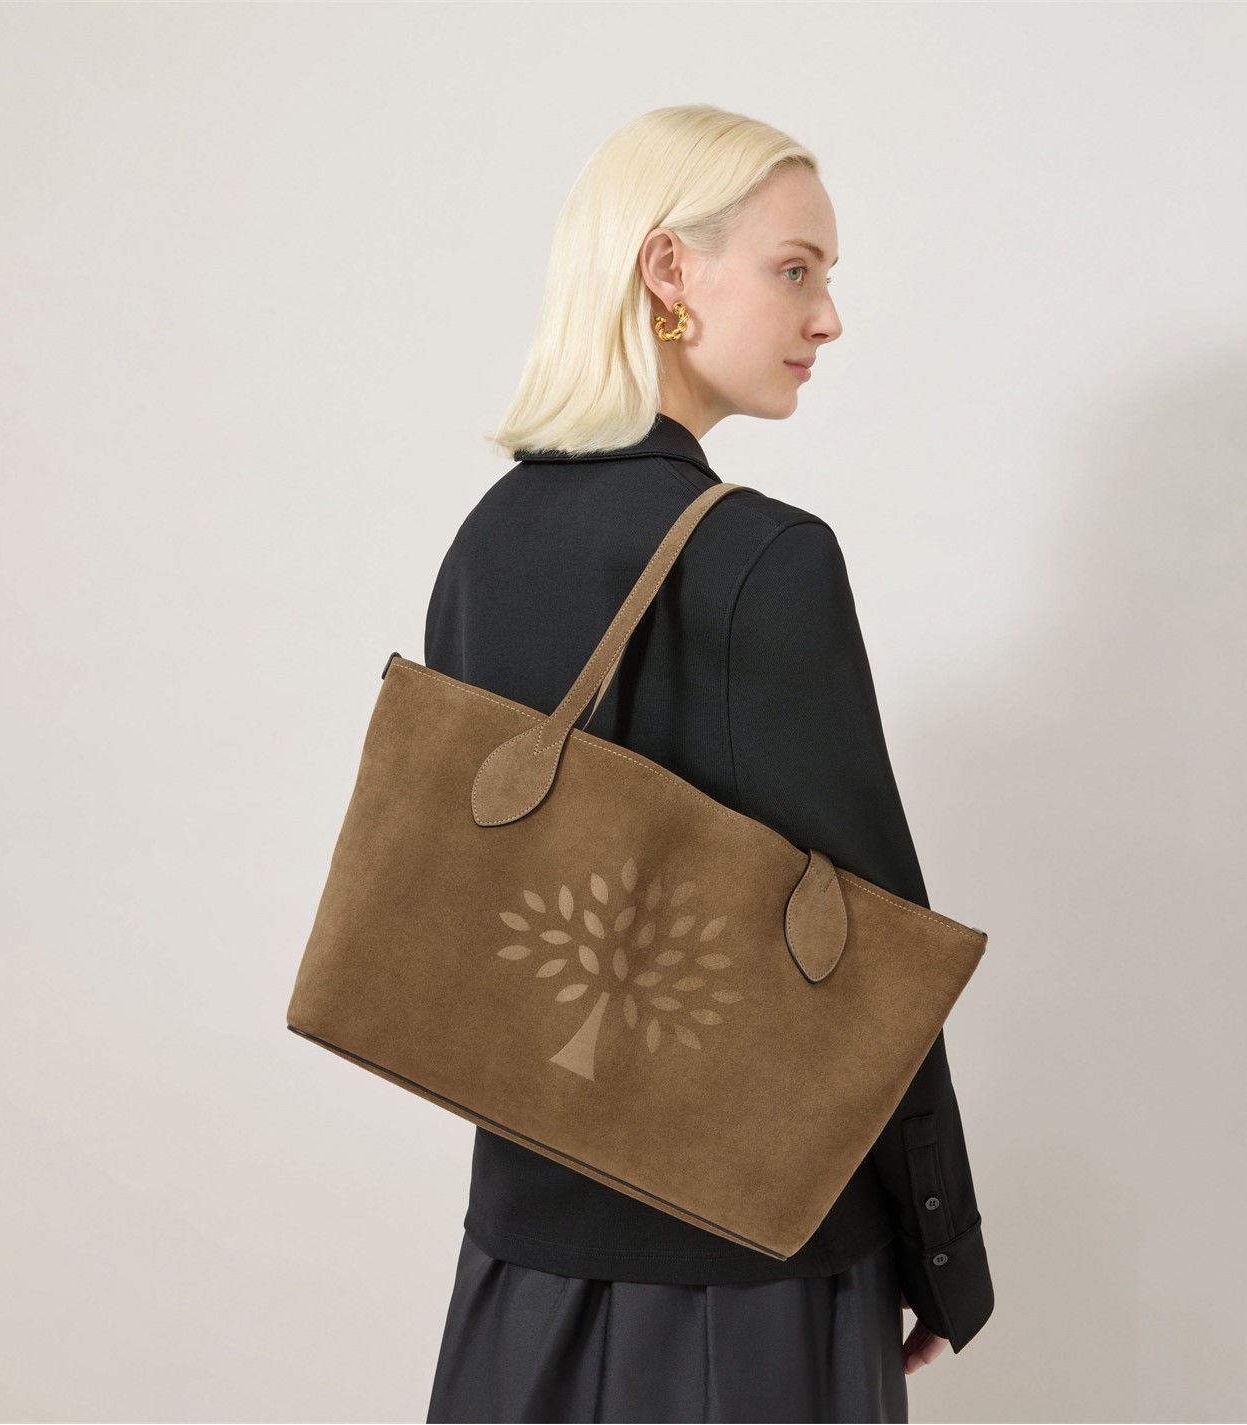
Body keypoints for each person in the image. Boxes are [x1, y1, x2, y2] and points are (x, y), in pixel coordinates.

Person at [422, 104, 994, 1425]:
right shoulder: (762, 558)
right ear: (668, 269)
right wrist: (942, 1249)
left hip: (521, 1263)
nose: (828, 317)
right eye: (796, 270)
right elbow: (869, 954)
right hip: (750, 1278)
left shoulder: (487, 539)